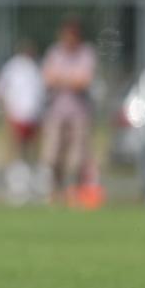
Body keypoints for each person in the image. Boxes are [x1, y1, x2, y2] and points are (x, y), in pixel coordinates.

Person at [38, 18, 96, 202]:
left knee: (76, 159)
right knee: (53, 156)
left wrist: (61, 79)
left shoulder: (86, 53)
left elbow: (83, 81)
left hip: (78, 114)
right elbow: (47, 78)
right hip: (56, 113)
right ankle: (55, 192)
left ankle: (74, 193)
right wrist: (70, 79)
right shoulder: (54, 52)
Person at [0, 39, 45, 203]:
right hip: (16, 114)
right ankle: (17, 187)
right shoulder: (12, 67)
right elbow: (1, 90)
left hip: (33, 116)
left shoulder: (35, 67)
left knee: (32, 152)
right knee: (16, 151)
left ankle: (34, 185)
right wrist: (8, 111)